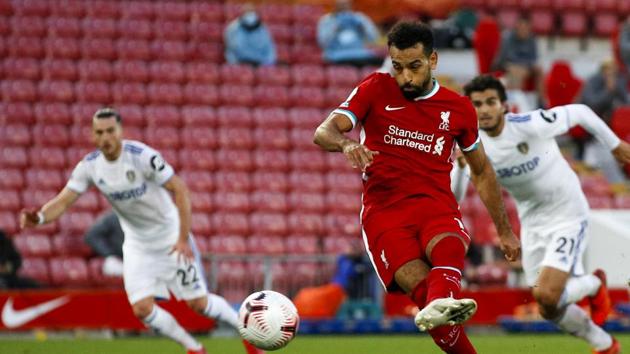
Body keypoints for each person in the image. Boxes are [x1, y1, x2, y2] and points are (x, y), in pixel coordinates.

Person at [314, 21, 520, 353]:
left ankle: (441, 300)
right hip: (385, 214)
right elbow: (323, 132)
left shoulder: (458, 108)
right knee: (426, 297)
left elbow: (482, 171)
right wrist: (345, 144)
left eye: (414, 66)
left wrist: (505, 231)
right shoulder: (375, 88)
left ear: (433, 60)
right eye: (398, 67)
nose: (405, 77)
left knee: (450, 246)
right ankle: (441, 300)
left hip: (435, 205)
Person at [20, 108, 263, 354]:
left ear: (120, 132)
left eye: (110, 131)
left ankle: (249, 336)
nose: (105, 137)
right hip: (138, 245)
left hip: (170, 238)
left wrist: (182, 239)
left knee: (199, 304)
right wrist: (39, 216)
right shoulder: (90, 166)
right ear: (93, 136)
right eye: (99, 132)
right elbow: (63, 201)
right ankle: (194, 349)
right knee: (142, 309)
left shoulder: (142, 156)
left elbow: (180, 190)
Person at [463, 75, 630, 354]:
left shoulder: (529, 125)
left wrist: (614, 145)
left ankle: (592, 284)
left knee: (546, 293)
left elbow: (580, 112)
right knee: (548, 307)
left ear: (504, 106)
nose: (484, 110)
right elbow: (459, 186)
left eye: (490, 102)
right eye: (476, 104)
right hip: (532, 222)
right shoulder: (474, 150)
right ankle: (604, 343)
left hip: (568, 211)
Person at [580, 59, 630, 183]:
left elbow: (625, 103)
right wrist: (608, 91)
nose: (611, 73)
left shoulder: (618, 82)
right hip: (592, 132)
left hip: (612, 129)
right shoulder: (592, 82)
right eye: (608, 69)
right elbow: (592, 105)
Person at [317, 0, 382, 67]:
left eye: (345, 4)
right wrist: (334, 29)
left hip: (359, 54)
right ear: (335, 6)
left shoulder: (360, 18)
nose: (343, 7)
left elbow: (374, 38)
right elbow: (322, 43)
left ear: (350, 5)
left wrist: (363, 27)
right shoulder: (327, 19)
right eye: (341, 5)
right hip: (336, 55)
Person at [492, 15, 543, 99]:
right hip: (505, 64)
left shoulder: (532, 38)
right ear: (517, 27)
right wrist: (526, 64)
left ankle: (541, 100)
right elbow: (510, 57)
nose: (523, 30)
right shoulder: (508, 37)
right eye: (521, 28)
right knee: (517, 70)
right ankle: (515, 100)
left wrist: (528, 65)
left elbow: (534, 57)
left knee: (539, 70)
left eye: (526, 28)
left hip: (525, 66)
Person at [84, 211, 124, 276]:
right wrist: (109, 254)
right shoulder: (113, 217)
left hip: (138, 259)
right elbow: (91, 236)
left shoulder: (143, 215)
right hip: (117, 260)